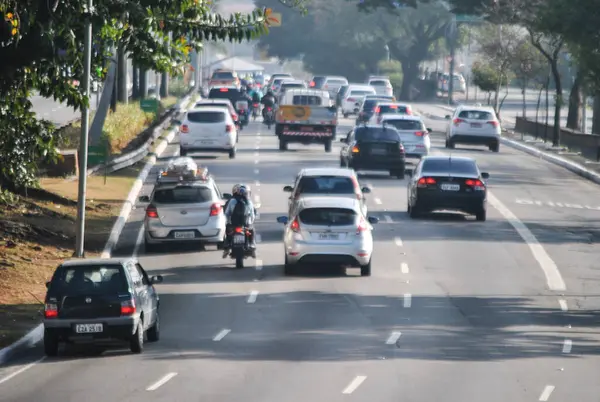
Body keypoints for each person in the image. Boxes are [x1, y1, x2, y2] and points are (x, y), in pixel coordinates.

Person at [223, 185, 256, 258]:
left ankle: (227, 247)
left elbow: (227, 213)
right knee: (252, 230)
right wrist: (250, 222)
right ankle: (252, 245)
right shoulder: (249, 202)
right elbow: (252, 215)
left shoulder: (232, 201)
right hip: (246, 225)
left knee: (228, 231)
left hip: (233, 225)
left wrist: (228, 221)